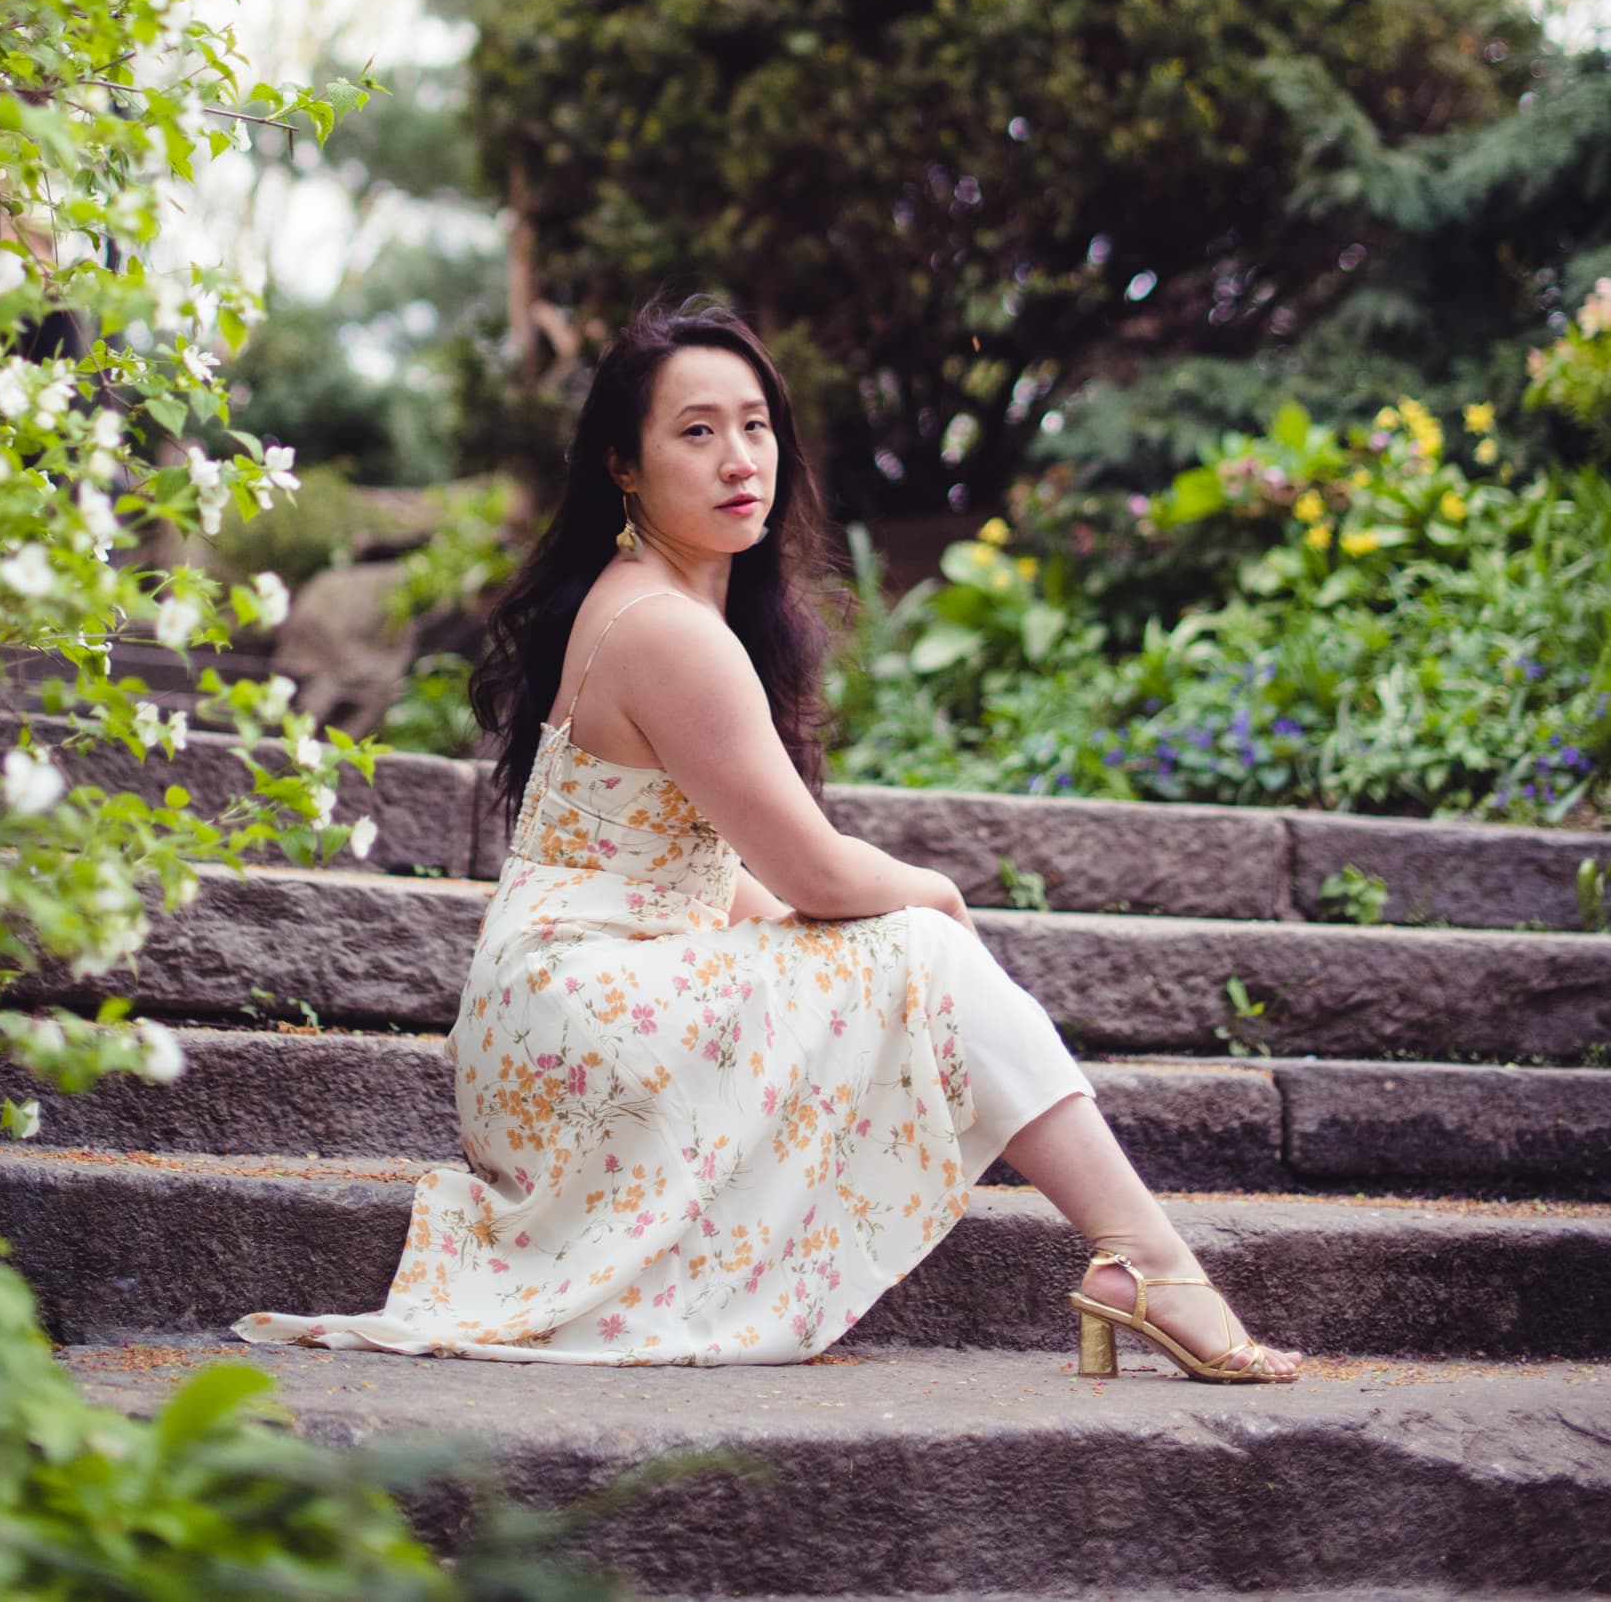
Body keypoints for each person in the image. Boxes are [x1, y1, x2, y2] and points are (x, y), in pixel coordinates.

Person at [235, 302, 1300, 1379]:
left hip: (549, 1021)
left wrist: (870, 951)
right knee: (919, 943)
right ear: (626, 465)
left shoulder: (658, 605)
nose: (739, 458)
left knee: (893, 954)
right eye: (696, 431)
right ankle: (1149, 1260)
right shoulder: (663, 627)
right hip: (577, 1021)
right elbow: (814, 871)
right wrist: (937, 901)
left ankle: (1142, 1259)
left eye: (755, 425)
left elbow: (705, 872)